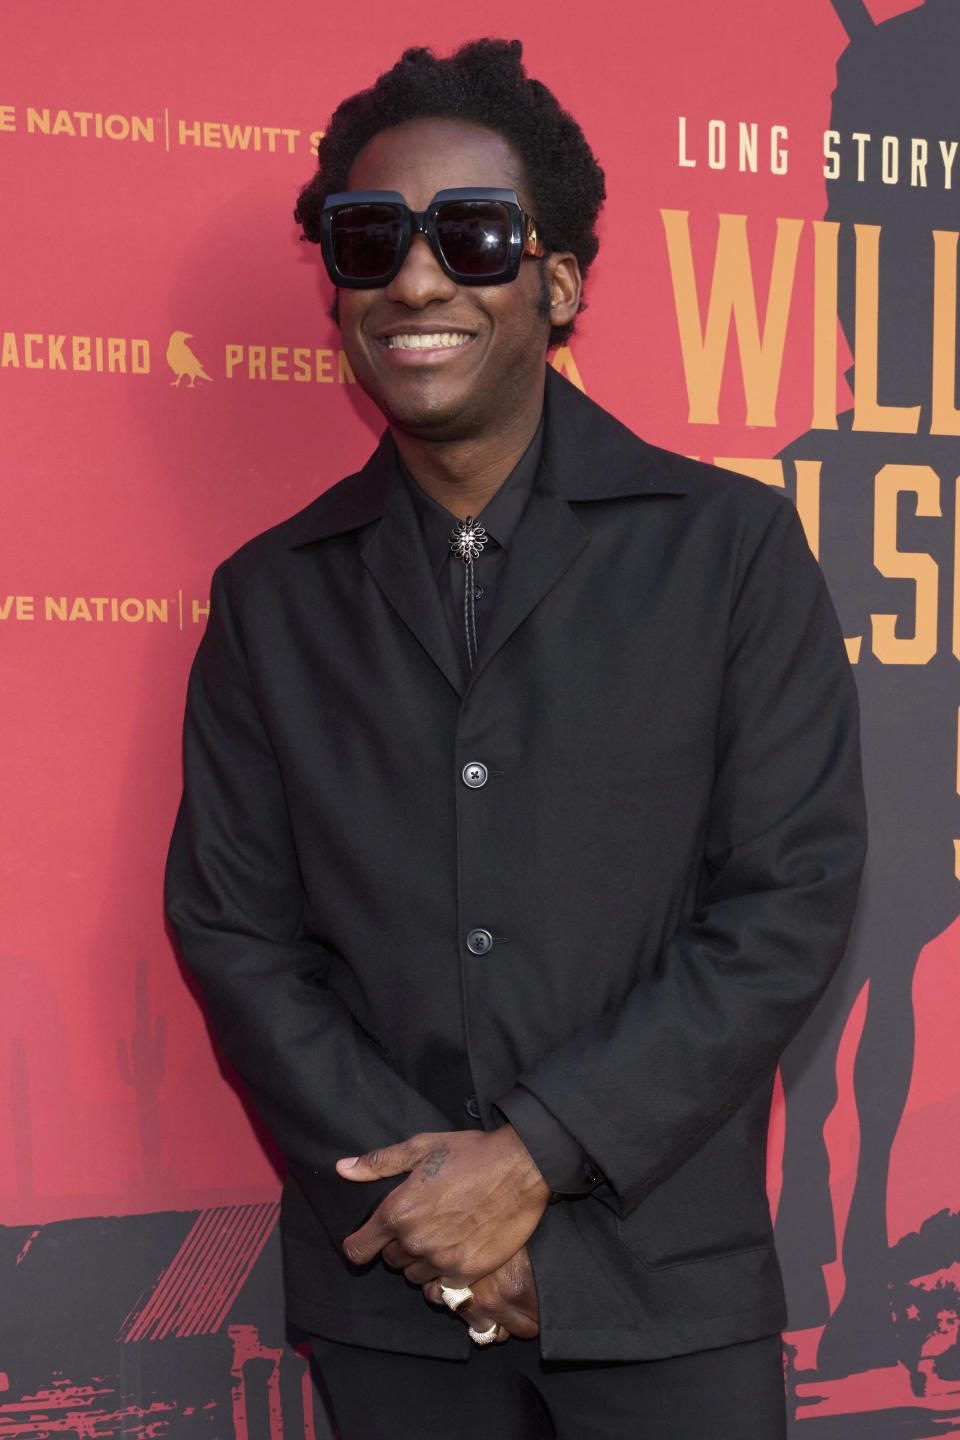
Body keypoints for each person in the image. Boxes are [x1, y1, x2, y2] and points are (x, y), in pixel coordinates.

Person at [164, 38, 866, 1440]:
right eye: (370, 242)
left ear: (558, 282)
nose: (417, 280)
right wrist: (437, 1219)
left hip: (668, 1287)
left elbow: (787, 904)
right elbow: (239, 938)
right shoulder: (269, 598)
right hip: (393, 1312)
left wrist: (537, 1160)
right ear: (340, 290)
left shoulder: (728, 551)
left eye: (471, 236)